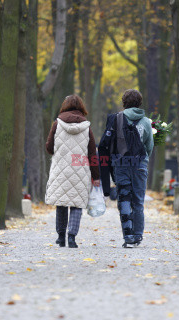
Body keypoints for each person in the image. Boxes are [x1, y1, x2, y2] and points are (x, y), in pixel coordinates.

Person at [99, 89, 154, 248]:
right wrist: (143, 161)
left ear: (124, 102)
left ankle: (128, 235)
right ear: (139, 103)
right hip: (139, 166)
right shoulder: (145, 122)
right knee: (138, 201)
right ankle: (138, 236)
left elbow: (109, 144)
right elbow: (149, 146)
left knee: (124, 198)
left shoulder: (117, 119)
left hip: (121, 164)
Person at [45, 95, 100, 248]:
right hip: (80, 170)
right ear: (82, 108)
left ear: (64, 106)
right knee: (76, 204)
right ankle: (72, 237)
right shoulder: (87, 127)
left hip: (60, 170)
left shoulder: (57, 124)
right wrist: (96, 176)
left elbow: (49, 148)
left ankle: (60, 236)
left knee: (61, 203)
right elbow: (92, 154)